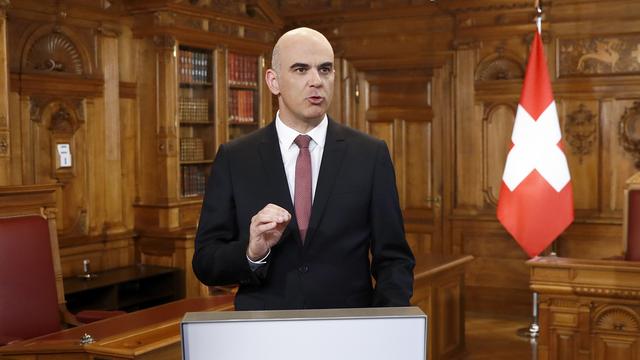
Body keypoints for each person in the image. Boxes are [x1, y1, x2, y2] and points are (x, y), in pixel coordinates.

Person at [192, 27, 415, 310]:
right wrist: (251, 252)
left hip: (347, 331)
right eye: (300, 69)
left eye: (325, 69)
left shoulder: (370, 154)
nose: (316, 81)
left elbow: (394, 259)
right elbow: (205, 262)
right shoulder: (235, 158)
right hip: (265, 333)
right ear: (273, 81)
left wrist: (387, 324)